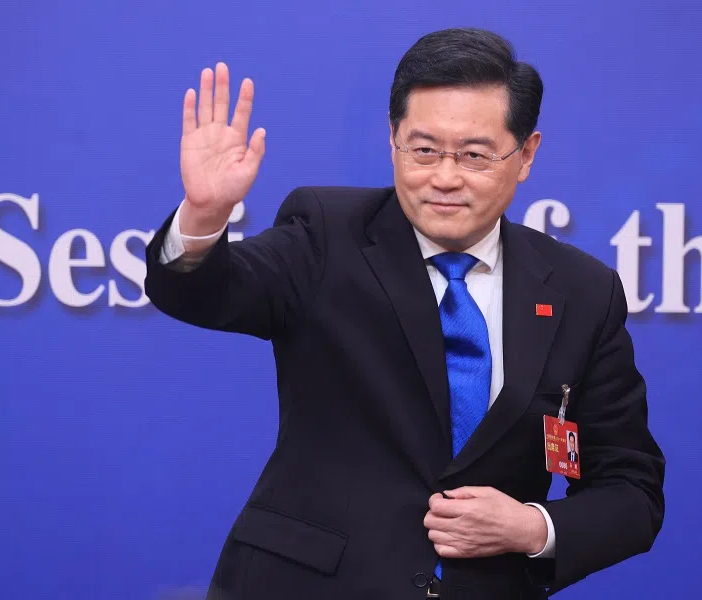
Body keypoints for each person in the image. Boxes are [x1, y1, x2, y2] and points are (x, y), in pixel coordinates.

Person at [143, 27, 665, 600]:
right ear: (392, 138)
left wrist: (532, 527)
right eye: (423, 149)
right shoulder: (325, 234)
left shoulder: (582, 291)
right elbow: (208, 292)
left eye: (473, 154)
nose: (444, 177)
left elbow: (631, 491)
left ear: (526, 155)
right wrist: (202, 217)